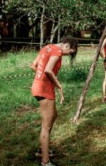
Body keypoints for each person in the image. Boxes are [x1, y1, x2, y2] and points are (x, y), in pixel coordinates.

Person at [30, 37, 78, 166]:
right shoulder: (58, 51)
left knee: (52, 116)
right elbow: (48, 70)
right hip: (43, 89)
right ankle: (45, 162)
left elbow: (34, 65)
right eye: (71, 52)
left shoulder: (47, 47)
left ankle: (42, 149)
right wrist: (58, 85)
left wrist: (42, 79)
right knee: (46, 125)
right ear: (67, 46)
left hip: (39, 86)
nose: (69, 54)